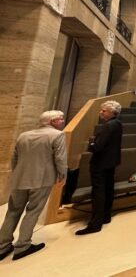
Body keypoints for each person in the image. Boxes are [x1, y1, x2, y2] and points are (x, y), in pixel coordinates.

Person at [0, 111, 67, 261]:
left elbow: (14, 158)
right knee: (33, 211)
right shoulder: (57, 135)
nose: (63, 121)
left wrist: (17, 174)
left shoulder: (23, 135)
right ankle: (23, 246)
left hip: (20, 179)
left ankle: (2, 245)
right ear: (52, 121)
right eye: (60, 119)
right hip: (41, 180)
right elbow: (60, 158)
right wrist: (62, 176)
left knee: (12, 211)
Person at [76, 101, 123, 235]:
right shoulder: (118, 123)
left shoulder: (108, 125)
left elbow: (97, 146)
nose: (101, 112)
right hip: (111, 162)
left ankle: (95, 224)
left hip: (101, 163)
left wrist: (90, 144)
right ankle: (106, 217)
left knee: (98, 192)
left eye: (104, 111)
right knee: (108, 189)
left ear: (112, 112)